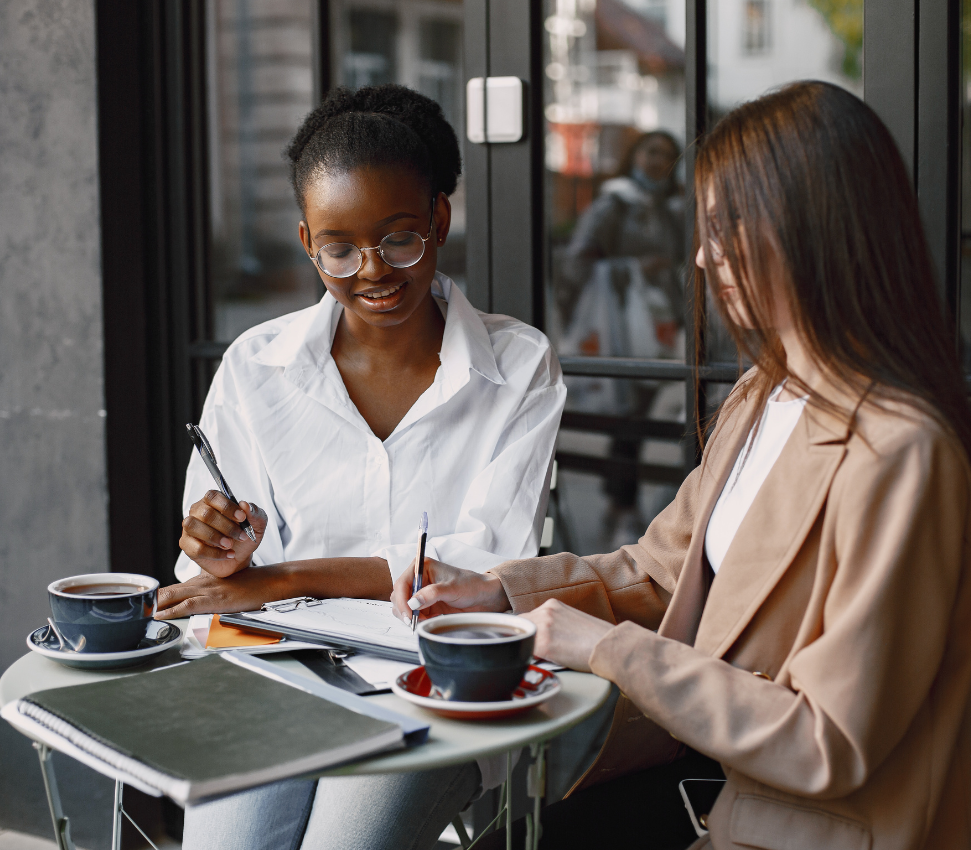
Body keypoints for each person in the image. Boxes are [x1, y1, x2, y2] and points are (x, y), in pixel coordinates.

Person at [391, 81, 971, 850]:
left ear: (810, 231)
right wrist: (496, 591)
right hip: (711, 783)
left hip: (812, 824)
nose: (702, 255)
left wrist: (605, 649)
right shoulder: (762, 395)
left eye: (727, 227)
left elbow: (828, 739)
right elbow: (658, 570)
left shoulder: (902, 452)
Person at [161, 84, 566, 850]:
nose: (372, 270)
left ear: (440, 220)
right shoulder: (257, 367)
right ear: (309, 242)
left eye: (400, 238)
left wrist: (284, 576)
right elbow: (218, 571)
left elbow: (477, 571)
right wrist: (219, 543)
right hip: (277, 680)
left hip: (435, 692)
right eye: (339, 248)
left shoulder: (519, 365)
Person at [557, 131, 686, 547]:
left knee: (637, 420)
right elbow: (576, 261)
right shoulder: (614, 203)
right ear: (634, 154)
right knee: (627, 420)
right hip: (620, 330)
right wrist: (633, 268)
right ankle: (622, 508)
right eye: (651, 151)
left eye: (667, 155)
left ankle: (623, 507)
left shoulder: (671, 208)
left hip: (658, 327)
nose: (658, 161)